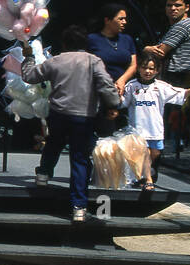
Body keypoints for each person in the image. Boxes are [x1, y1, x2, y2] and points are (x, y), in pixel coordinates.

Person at [21, 25, 122, 221]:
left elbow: (30, 75)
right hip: (83, 116)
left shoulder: (56, 61)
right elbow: (105, 83)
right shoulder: (94, 61)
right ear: (85, 44)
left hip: (58, 113)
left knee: (53, 143)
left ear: (64, 44)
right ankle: (79, 207)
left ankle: (43, 175)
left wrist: (28, 57)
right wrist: (113, 103)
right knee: (80, 159)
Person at [121, 50, 190, 190]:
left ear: (157, 70)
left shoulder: (161, 87)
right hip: (137, 130)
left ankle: (141, 175)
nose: (148, 71)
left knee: (154, 153)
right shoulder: (132, 86)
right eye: (144, 67)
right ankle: (148, 179)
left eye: (151, 68)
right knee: (143, 153)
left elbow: (179, 93)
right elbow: (122, 102)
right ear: (138, 68)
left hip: (155, 129)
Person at [143, 0, 190, 158]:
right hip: (176, 75)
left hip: (172, 76)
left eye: (178, 5)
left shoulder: (183, 26)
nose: (173, 9)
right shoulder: (178, 26)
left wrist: (145, 48)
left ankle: (153, 162)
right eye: (169, 5)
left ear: (187, 8)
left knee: (156, 121)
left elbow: (159, 52)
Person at [86, 3, 137, 97]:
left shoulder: (127, 39)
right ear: (107, 20)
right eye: (121, 19)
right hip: (98, 90)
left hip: (124, 89)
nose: (124, 22)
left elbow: (133, 65)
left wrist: (122, 81)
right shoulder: (92, 39)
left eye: (125, 19)